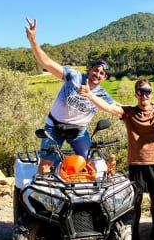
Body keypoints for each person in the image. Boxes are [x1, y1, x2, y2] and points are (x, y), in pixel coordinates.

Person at [79, 79, 154, 240]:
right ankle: (134, 232)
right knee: (136, 201)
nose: (144, 95)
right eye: (141, 91)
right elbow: (108, 107)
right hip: (136, 163)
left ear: (152, 93)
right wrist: (89, 95)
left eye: (147, 91)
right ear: (136, 94)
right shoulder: (128, 112)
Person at [25, 18, 113, 173]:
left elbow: (118, 108)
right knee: (45, 164)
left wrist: (147, 105)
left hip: (79, 131)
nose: (97, 74)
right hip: (54, 127)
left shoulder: (102, 94)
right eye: (96, 70)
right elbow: (47, 63)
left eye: (102, 73)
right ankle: (43, 196)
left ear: (104, 78)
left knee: (89, 164)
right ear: (90, 68)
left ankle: (86, 195)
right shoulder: (74, 76)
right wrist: (33, 40)